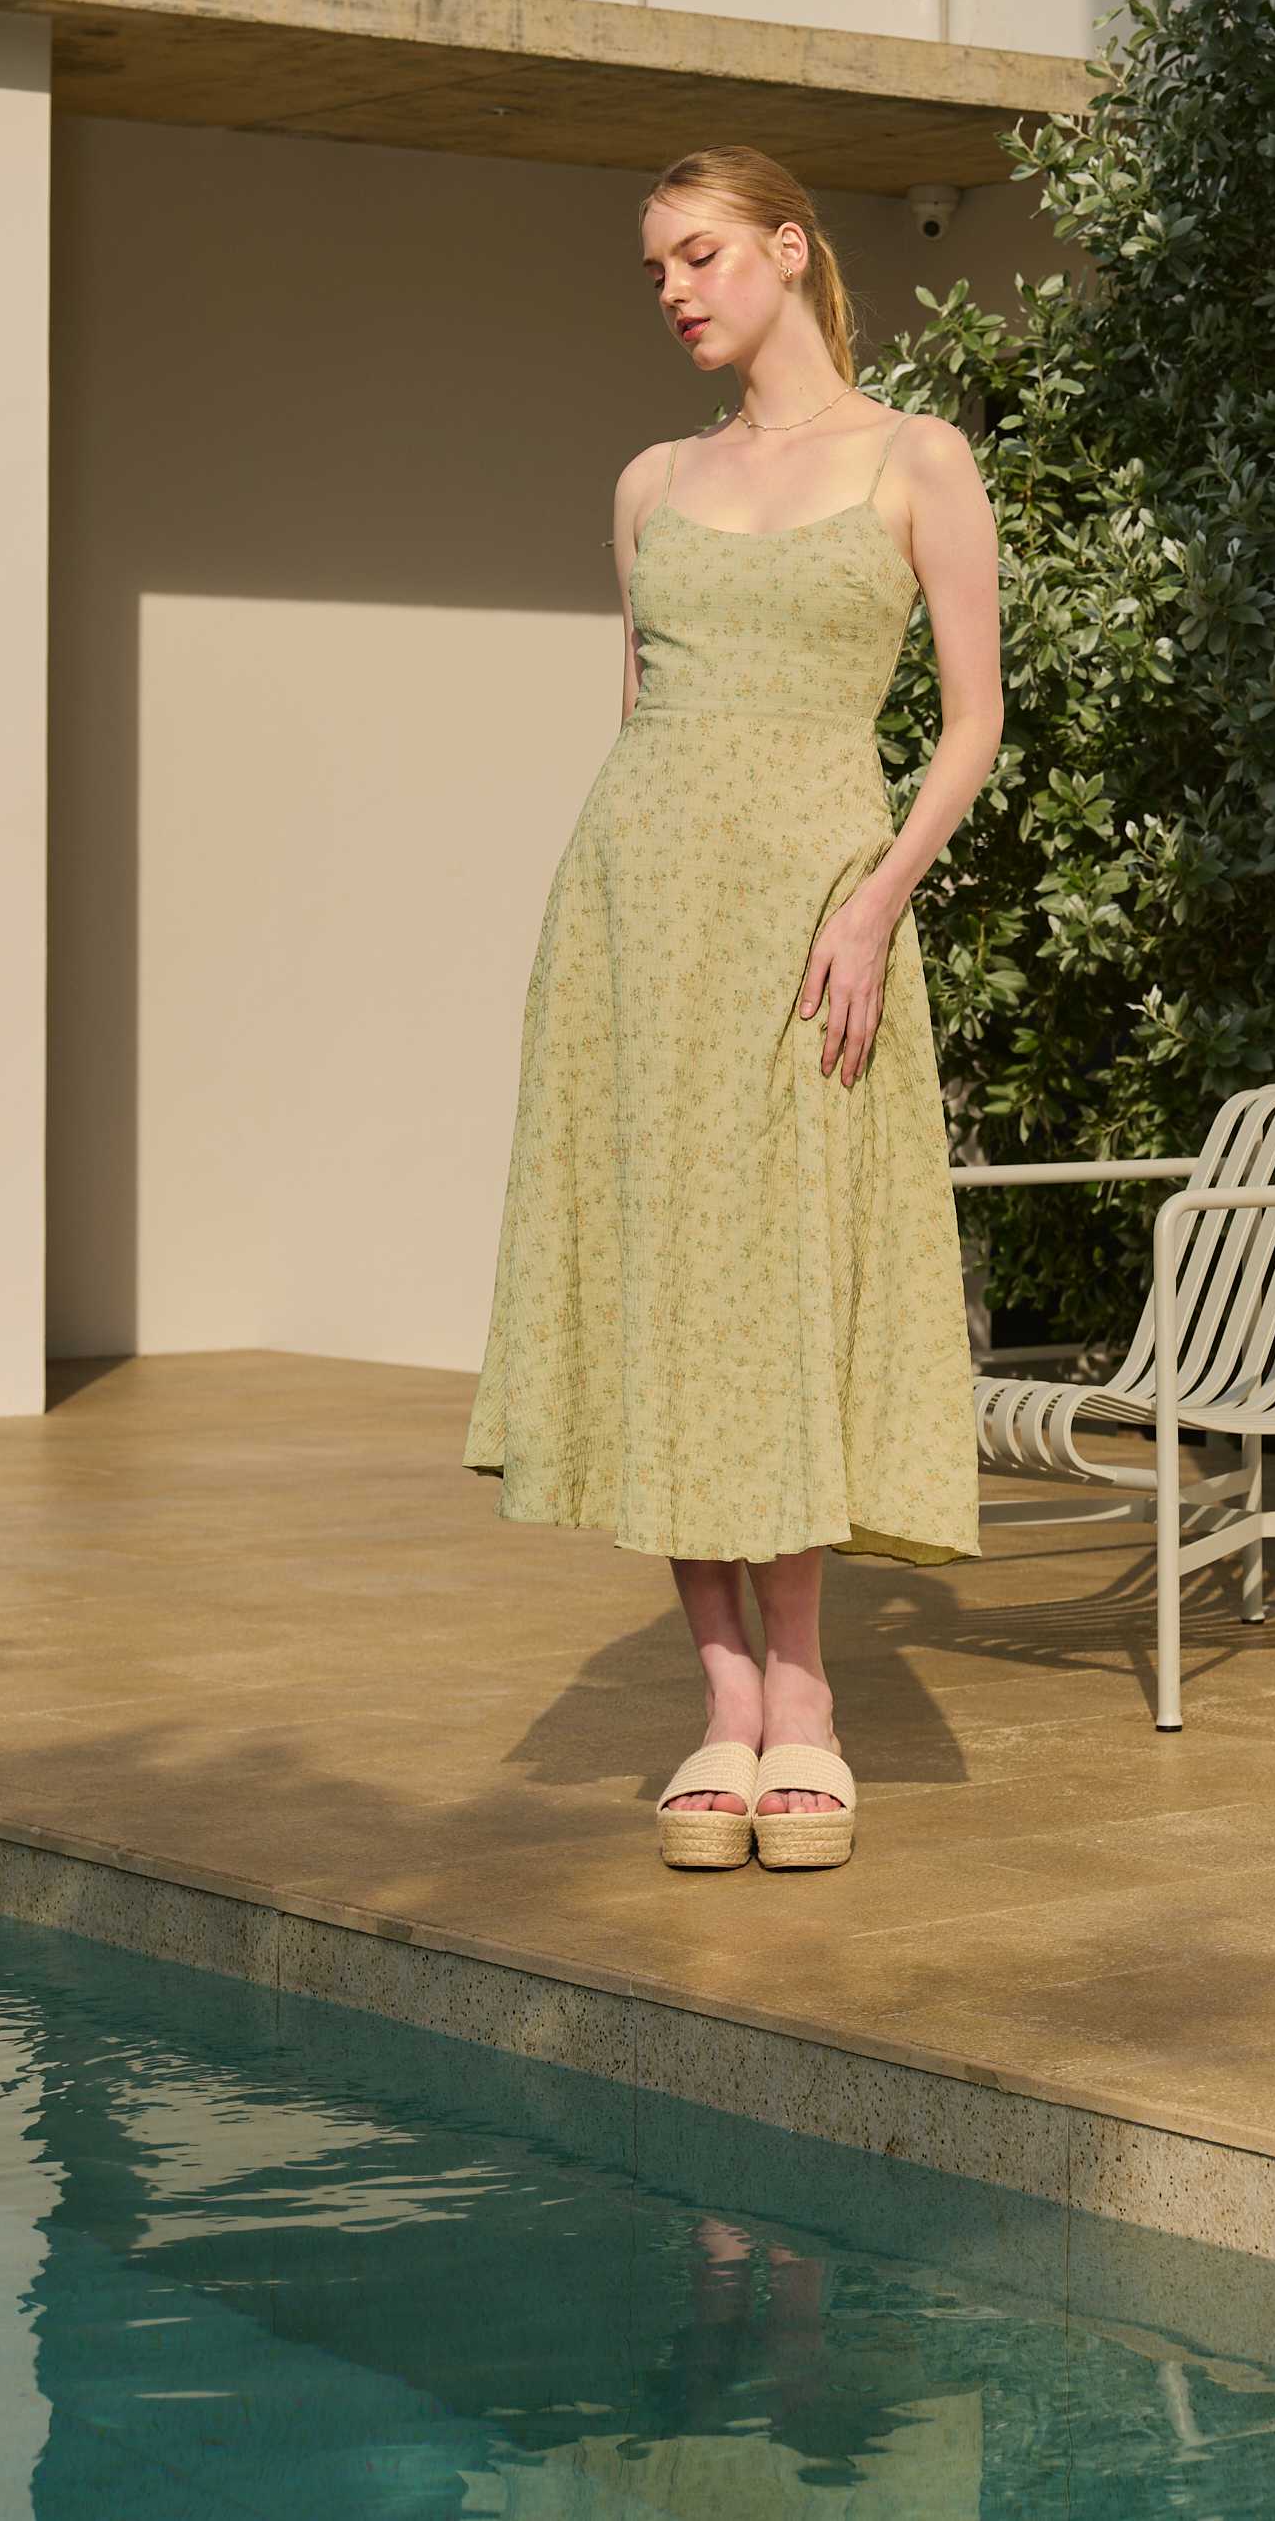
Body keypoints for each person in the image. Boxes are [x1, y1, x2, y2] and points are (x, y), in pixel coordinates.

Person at [464, 145, 1002, 1872]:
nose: (677, 291)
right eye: (657, 270)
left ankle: (809, 1701)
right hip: (638, 920)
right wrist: (615, 926)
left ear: (787, 247)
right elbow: (637, 720)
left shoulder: (916, 459)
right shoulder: (652, 482)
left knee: (783, 1275)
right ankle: (723, 1700)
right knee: (669, 1283)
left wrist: (877, 898)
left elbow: (973, 724)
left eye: (700, 256)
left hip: (817, 920)